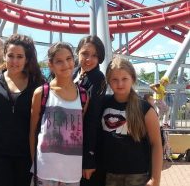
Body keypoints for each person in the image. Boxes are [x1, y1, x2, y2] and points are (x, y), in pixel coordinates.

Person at [0, 34, 44, 186]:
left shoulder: (38, 83)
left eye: (19, 56)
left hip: (25, 156)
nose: (14, 61)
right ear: (4, 56)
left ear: (27, 59)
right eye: (10, 55)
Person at [30, 42, 93, 186]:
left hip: (72, 170)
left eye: (69, 59)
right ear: (51, 65)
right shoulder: (42, 93)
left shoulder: (83, 96)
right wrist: (34, 161)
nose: (65, 64)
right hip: (44, 168)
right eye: (59, 61)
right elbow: (33, 131)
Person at [101, 56, 163, 186]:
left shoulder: (145, 109)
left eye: (124, 79)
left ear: (133, 79)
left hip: (137, 175)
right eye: (115, 80)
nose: (120, 84)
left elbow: (156, 144)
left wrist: (155, 179)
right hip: (109, 174)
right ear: (109, 81)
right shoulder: (103, 103)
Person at [73, 35, 106, 186]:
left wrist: (88, 158)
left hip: (86, 146)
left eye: (95, 55)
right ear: (77, 52)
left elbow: (92, 119)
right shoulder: (74, 73)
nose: (89, 59)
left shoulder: (98, 79)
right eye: (85, 53)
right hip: (70, 142)